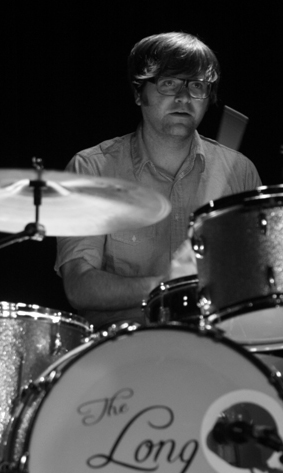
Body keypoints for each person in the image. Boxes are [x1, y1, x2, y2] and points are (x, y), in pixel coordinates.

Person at [56, 31, 261, 330]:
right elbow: (80, 288)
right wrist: (171, 285)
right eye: (168, 83)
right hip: (123, 345)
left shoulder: (240, 172)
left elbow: (258, 282)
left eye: (197, 86)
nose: (183, 97)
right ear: (139, 93)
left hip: (214, 345)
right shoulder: (92, 169)